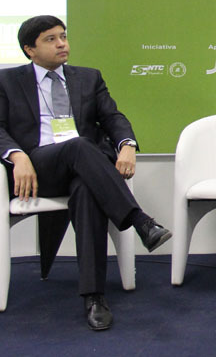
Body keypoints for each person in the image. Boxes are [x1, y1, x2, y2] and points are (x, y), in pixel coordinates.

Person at [0, 16, 172, 330]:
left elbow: (113, 117)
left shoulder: (89, 77)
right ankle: (140, 221)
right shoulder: (7, 81)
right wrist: (16, 155)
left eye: (63, 36)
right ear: (29, 49)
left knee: (86, 190)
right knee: (79, 145)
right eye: (50, 39)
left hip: (85, 170)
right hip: (38, 168)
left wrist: (127, 145)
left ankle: (94, 296)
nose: (61, 44)